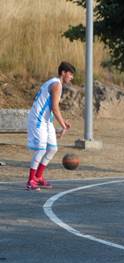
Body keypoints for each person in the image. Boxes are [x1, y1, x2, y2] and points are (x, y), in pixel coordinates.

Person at [26, 62, 75, 191]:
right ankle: (30, 180)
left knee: (52, 148)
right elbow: (54, 107)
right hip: (38, 119)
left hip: (46, 120)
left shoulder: (55, 83)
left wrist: (61, 124)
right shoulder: (56, 85)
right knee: (41, 149)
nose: (71, 77)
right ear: (63, 73)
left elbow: (51, 106)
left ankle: (38, 177)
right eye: (70, 74)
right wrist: (63, 124)